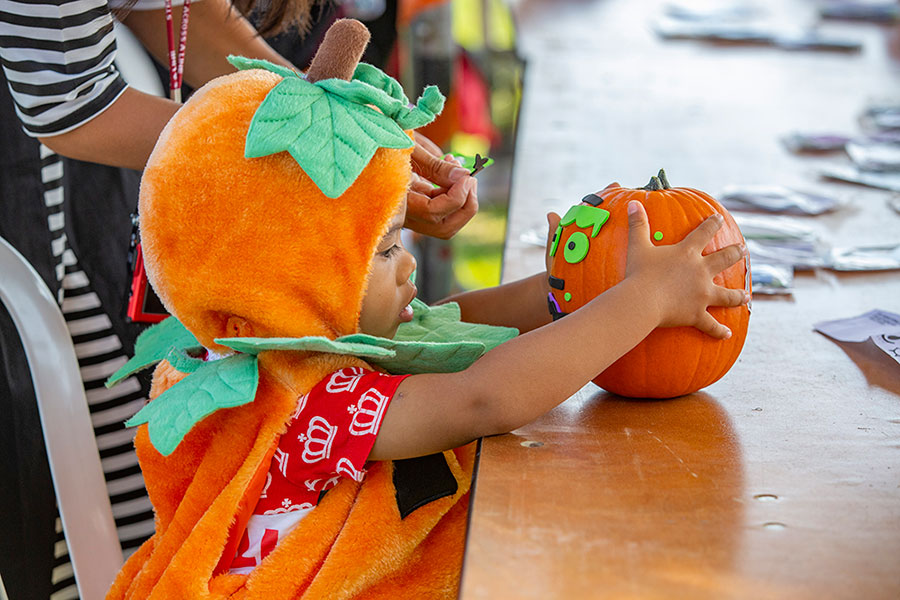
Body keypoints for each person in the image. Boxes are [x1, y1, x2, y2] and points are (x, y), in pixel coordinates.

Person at [103, 19, 748, 598]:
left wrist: (571, 289)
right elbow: (481, 399)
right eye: (385, 250)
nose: (410, 264)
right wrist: (643, 300)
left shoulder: (298, 336)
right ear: (288, 279)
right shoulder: (306, 406)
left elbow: (450, 323)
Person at [0, 1, 476, 598]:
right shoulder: (319, 397)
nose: (405, 262)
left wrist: (339, 125)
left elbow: (174, 14)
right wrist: (333, 154)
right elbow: (71, 109)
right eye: (384, 247)